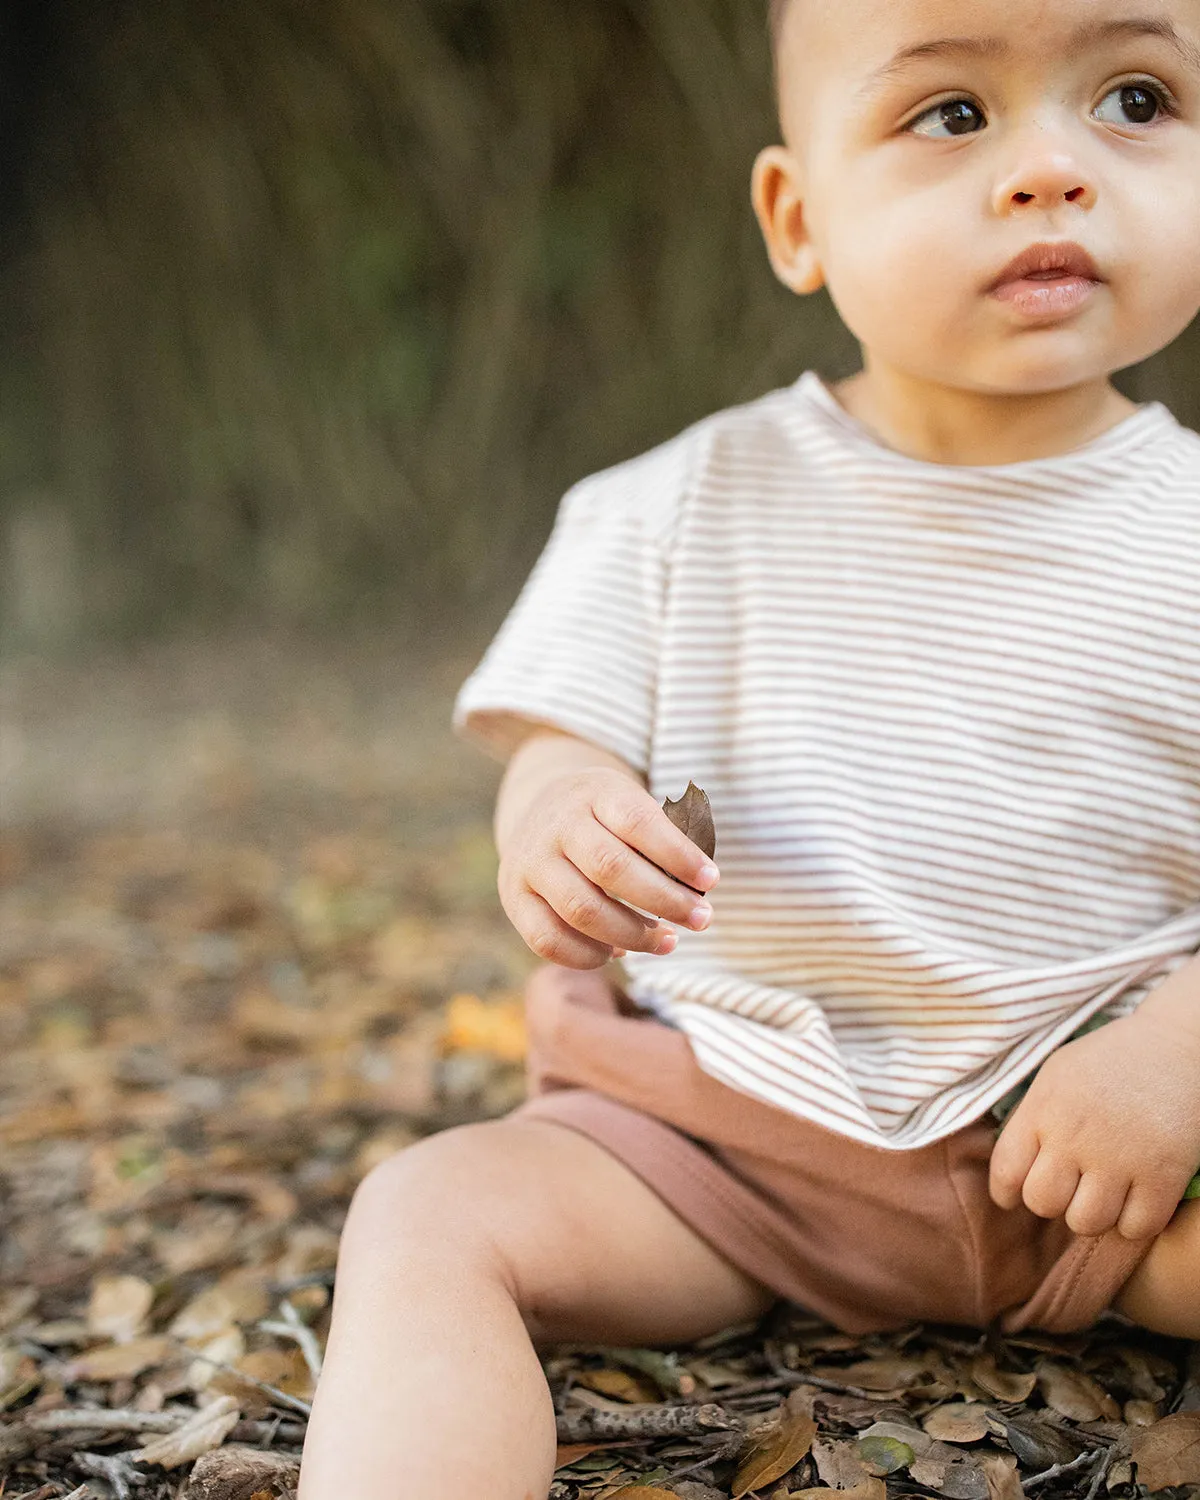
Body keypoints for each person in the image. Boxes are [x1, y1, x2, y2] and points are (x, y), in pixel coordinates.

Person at [297, 0, 1200, 1494]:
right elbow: (555, 749)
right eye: (954, 115)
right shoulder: (672, 507)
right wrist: (565, 816)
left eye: (1134, 99)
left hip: (1117, 1153)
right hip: (728, 1150)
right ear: (797, 217)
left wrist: (1180, 1051)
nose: (1054, 168)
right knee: (429, 1213)